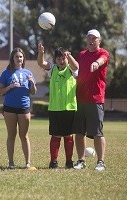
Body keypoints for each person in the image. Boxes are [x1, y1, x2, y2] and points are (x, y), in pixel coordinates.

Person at [37, 44, 79, 169]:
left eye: (63, 58)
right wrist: (41, 52)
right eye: (59, 59)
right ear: (55, 60)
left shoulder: (71, 69)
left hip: (69, 108)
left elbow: (76, 66)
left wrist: (69, 56)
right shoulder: (53, 69)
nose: (61, 61)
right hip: (54, 108)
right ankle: (53, 162)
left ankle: (69, 161)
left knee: (68, 136)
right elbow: (41, 63)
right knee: (55, 136)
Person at [73, 29, 110, 171]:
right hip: (80, 99)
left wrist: (96, 63)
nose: (91, 40)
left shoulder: (103, 53)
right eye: (89, 38)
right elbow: (76, 70)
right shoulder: (82, 55)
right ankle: (81, 161)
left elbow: (102, 60)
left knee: (97, 132)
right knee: (79, 132)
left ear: (99, 41)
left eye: (94, 38)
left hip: (95, 99)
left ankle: (101, 162)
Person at [0, 47, 37, 169]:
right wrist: (10, 87)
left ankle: (27, 163)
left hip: (24, 107)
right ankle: (11, 163)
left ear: (23, 58)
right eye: (16, 57)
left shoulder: (28, 73)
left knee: (24, 135)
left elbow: (33, 92)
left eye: (20, 56)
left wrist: (32, 83)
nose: (19, 59)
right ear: (12, 59)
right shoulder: (6, 73)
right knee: (11, 135)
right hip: (9, 107)